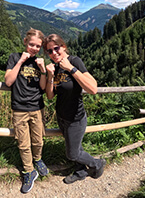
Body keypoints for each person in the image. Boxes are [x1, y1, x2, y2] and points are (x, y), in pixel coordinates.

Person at [43, 34, 106, 184]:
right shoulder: (55, 68)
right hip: (62, 117)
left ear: (63, 47)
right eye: (49, 51)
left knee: (72, 154)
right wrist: (50, 76)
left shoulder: (74, 61)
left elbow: (93, 88)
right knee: (75, 147)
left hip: (75, 118)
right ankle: (80, 171)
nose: (54, 53)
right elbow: (50, 96)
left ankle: (97, 164)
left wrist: (71, 69)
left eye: (56, 48)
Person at [4, 28, 50, 194]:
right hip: (20, 109)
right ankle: (29, 171)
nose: (34, 48)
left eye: (38, 46)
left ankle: (38, 159)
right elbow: (9, 81)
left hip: (37, 107)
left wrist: (43, 70)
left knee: (38, 140)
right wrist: (20, 62)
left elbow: (43, 87)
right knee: (23, 144)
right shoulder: (15, 57)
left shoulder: (39, 62)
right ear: (25, 42)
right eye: (32, 44)